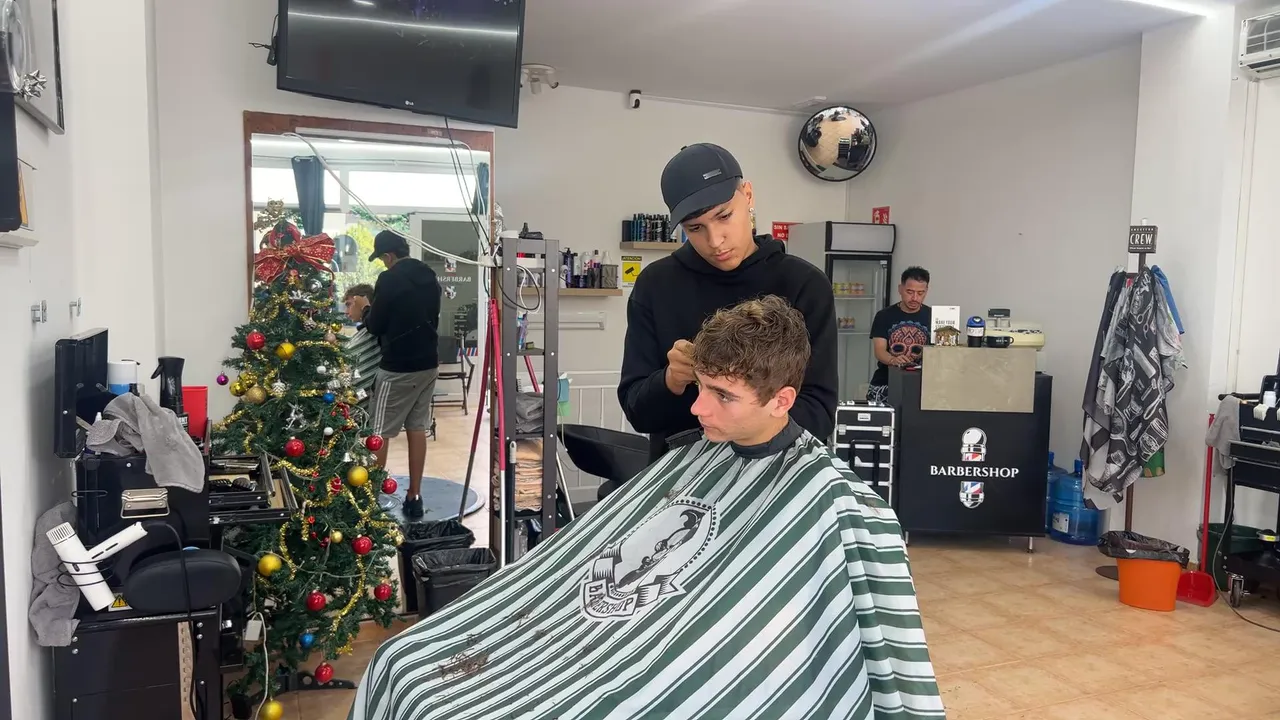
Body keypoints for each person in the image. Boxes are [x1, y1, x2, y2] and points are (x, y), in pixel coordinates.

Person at [349, 296, 941, 720]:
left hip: (681, 667)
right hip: (598, 637)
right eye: (701, 387)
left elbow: (888, 664)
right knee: (403, 658)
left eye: (724, 396)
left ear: (783, 399)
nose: (698, 409)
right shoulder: (696, 455)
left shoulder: (839, 504)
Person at [619, 142, 837, 464]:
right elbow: (637, 410)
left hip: (775, 472)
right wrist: (671, 379)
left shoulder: (805, 285)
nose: (715, 240)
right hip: (681, 476)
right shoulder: (655, 285)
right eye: (695, 228)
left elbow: (818, 412)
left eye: (724, 216)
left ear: (748, 195)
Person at [344, 231, 442, 519]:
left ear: (389, 256)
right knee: (417, 428)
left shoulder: (389, 279)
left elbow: (376, 325)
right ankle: (415, 496)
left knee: (379, 432)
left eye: (382, 259)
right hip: (429, 363)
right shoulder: (429, 275)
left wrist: (366, 309)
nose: (383, 264)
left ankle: (370, 499)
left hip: (398, 367)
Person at [867, 266, 932, 404]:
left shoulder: (933, 316)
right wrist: (893, 360)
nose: (914, 298)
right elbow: (879, 350)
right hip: (886, 383)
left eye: (920, 293)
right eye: (910, 292)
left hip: (923, 386)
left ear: (926, 291)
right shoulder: (884, 316)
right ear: (900, 289)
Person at [341, 284, 380, 408]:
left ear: (361, 301)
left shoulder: (374, 331)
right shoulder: (364, 330)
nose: (346, 311)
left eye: (349, 304)